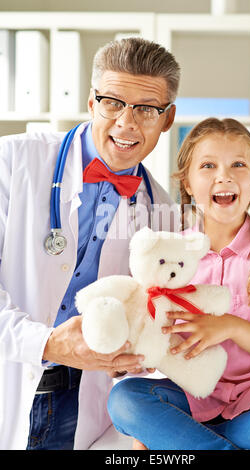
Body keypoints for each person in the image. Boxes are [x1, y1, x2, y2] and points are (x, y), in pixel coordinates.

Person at [0, 37, 181, 450]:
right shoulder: (12, 163)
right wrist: (46, 343)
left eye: (146, 109)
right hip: (9, 379)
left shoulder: (165, 215)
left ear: (167, 119)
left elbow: (154, 326)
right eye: (113, 102)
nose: (126, 123)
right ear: (91, 103)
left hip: (86, 408)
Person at [107, 117, 250, 450]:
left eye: (238, 164)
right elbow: (155, 336)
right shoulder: (169, 254)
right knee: (125, 399)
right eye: (208, 165)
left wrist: (231, 327)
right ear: (188, 183)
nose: (223, 175)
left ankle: (188, 446)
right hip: (193, 396)